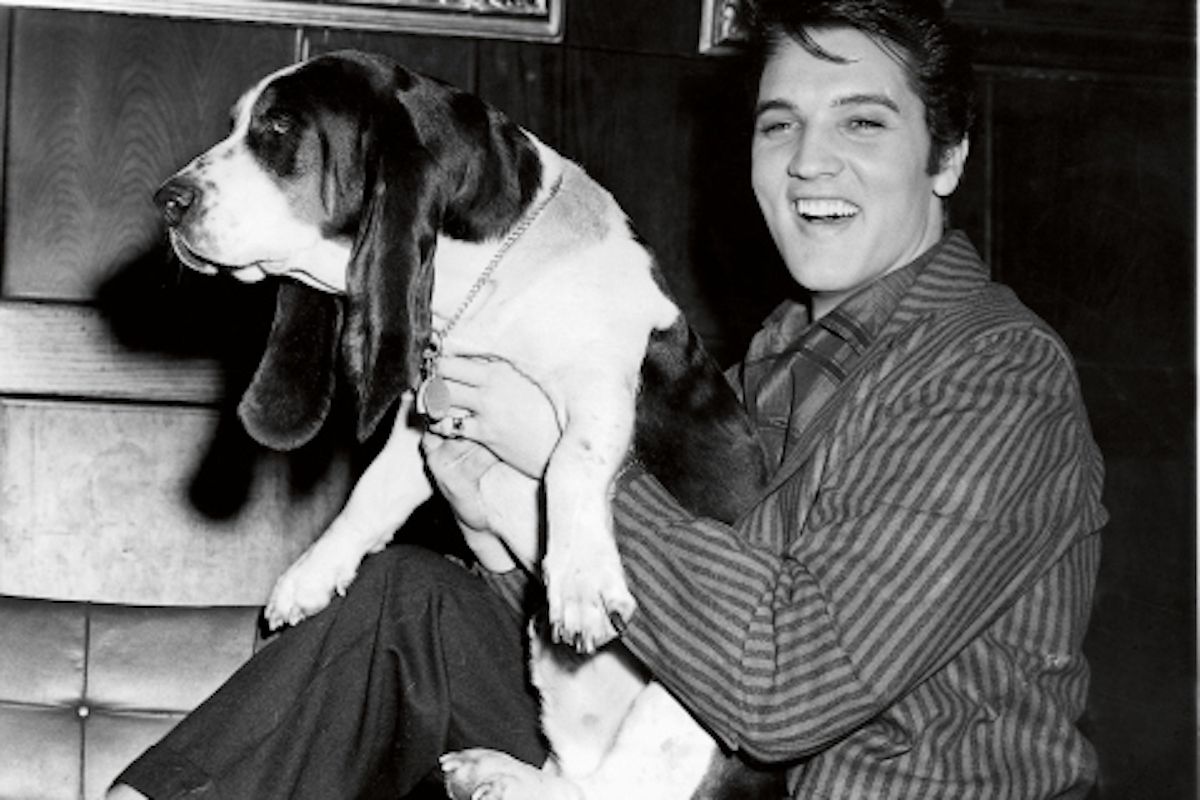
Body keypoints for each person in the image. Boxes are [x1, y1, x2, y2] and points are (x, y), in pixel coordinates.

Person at [110, 0, 1106, 797]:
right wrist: (490, 495)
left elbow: (784, 690)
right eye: (780, 125)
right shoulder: (770, 360)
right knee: (410, 596)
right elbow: (620, 623)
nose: (809, 162)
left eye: (862, 122)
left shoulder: (994, 372)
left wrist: (556, 466)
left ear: (947, 156)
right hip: (676, 763)